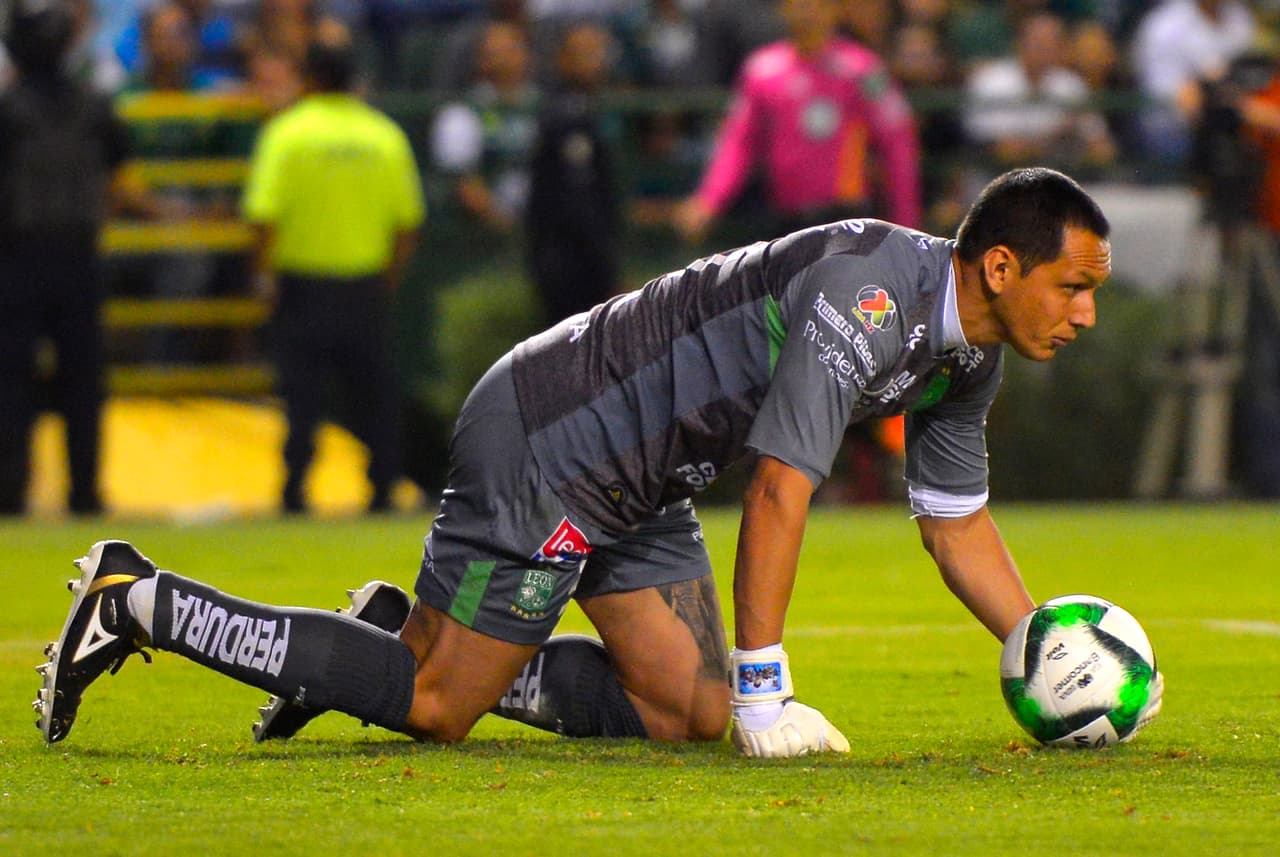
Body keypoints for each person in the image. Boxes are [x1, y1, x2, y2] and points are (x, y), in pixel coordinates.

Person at [34, 167, 1163, 756]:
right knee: (435, 706)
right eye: (1075, 285)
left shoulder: (965, 360)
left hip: (643, 470)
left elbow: (953, 519)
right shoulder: (868, 296)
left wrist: (1041, 650)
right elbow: (778, 484)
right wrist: (775, 684)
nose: (1086, 312)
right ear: (1001, 265)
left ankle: (400, 627)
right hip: (559, 436)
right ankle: (142, 600)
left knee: (686, 711)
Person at [241, 34, 424, 514]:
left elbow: (262, 216)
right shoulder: (384, 136)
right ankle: (383, 488)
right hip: (364, 284)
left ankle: (295, 490)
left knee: (301, 397)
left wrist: (264, 276)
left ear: (311, 78)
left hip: (302, 284)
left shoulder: (287, 132)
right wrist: (387, 277)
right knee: (375, 395)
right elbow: (408, 223)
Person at [0, 0, 146, 515]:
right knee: (81, 383)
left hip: (19, 259)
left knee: (13, 384)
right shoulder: (92, 103)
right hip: (74, 255)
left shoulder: (10, 107)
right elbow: (120, 168)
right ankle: (83, 493)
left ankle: (11, 494)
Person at [674, 0, 921, 244]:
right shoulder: (762, 72)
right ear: (783, 8)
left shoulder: (862, 70)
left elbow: (897, 145)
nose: (808, 11)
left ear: (835, 10)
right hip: (784, 219)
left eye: (818, 4)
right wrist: (710, 199)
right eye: (798, 3)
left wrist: (906, 223)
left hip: (846, 217)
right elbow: (739, 141)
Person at [525, 22, 621, 326]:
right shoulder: (566, 114)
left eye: (599, 52)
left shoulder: (587, 109)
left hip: (572, 256)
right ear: (562, 60)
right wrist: (606, 267)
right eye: (584, 53)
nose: (595, 61)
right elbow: (578, 201)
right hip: (570, 262)